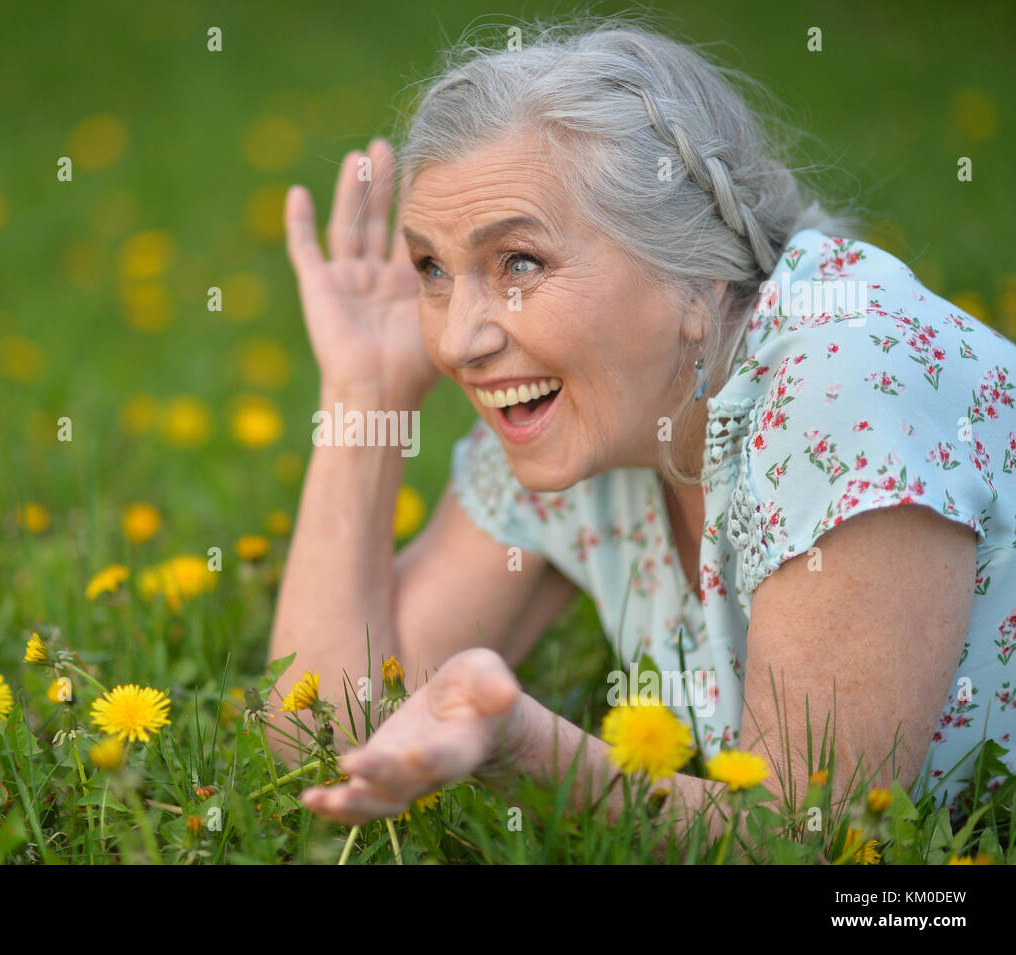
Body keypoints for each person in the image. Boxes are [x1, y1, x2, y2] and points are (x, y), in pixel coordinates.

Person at [268, 19, 1016, 831]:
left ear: (692, 274)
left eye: (520, 262)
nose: (458, 340)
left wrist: (525, 748)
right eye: (432, 270)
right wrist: (365, 391)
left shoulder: (851, 386)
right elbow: (330, 724)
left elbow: (810, 835)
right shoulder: (587, 409)